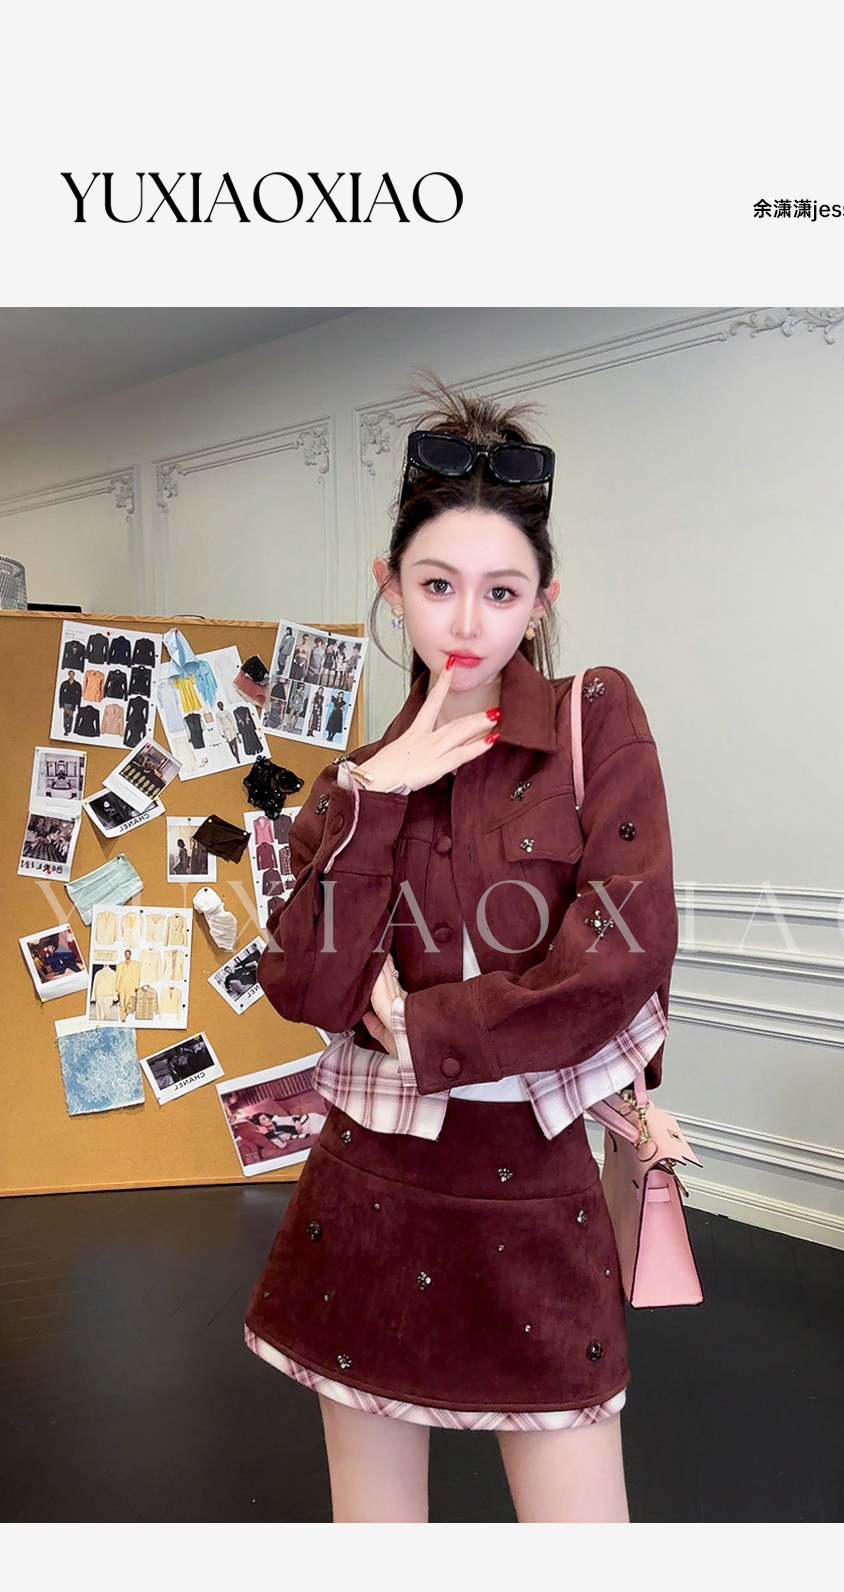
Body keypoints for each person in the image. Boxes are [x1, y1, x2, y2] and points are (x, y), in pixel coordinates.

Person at [245, 382, 678, 1524]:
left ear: (542, 600)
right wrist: (374, 799)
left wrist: (416, 1022)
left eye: (500, 590)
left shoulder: (594, 719)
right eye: (437, 586)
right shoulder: (350, 781)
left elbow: (620, 955)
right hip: (369, 1192)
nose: (467, 622)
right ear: (390, 587)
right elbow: (303, 982)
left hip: (535, 1195)